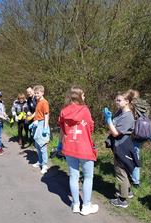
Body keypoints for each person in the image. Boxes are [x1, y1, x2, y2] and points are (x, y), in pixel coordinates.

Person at [58, 86, 98, 216]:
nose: (85, 97)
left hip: (69, 147)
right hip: (84, 148)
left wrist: (60, 144)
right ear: (79, 96)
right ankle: (86, 206)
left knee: (73, 176)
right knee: (88, 177)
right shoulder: (85, 110)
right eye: (84, 95)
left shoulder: (64, 111)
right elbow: (90, 127)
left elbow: (62, 129)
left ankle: (75, 204)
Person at [103, 90, 140, 208]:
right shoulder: (120, 112)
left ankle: (122, 200)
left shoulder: (128, 117)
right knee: (122, 169)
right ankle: (128, 192)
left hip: (122, 146)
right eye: (116, 99)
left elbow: (115, 133)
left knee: (121, 172)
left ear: (127, 102)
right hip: (118, 145)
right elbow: (112, 126)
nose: (116, 102)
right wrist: (109, 120)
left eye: (119, 100)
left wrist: (109, 121)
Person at [30, 85, 50, 174]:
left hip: (42, 125)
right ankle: (40, 161)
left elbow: (46, 115)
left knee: (42, 146)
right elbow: (37, 113)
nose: (36, 95)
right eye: (35, 93)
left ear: (42, 93)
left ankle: (45, 165)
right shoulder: (38, 102)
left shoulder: (44, 102)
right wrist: (32, 120)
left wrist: (45, 128)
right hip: (37, 124)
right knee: (37, 146)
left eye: (38, 93)